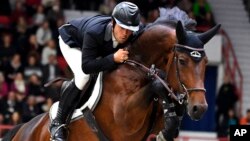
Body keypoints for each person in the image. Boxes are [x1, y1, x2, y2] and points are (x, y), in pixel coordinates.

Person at [49, 1, 141, 141]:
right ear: (113, 22)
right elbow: (87, 66)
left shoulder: (131, 33)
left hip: (95, 47)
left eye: (130, 30)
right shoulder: (95, 32)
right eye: (122, 28)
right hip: (71, 41)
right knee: (83, 77)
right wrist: (113, 59)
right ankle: (57, 123)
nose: (125, 34)